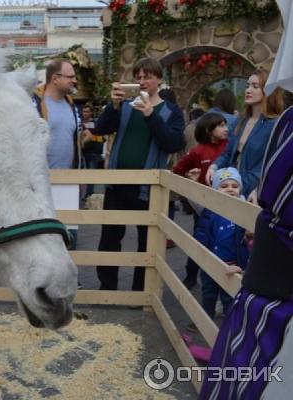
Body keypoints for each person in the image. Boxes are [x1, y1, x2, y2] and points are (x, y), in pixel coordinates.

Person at [201, 0, 293, 395]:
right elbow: (231, 156)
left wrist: (246, 185)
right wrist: (216, 172)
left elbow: (263, 174)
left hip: (274, 282)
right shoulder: (241, 123)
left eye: (256, 85)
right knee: (218, 254)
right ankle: (207, 310)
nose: (253, 89)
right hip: (252, 224)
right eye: (250, 86)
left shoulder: (277, 124)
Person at [95, 57, 185, 291]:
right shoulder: (124, 106)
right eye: (139, 76)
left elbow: (173, 143)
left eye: (147, 77)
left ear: (159, 80)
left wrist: (150, 115)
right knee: (109, 239)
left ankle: (140, 292)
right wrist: (113, 106)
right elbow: (101, 128)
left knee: (146, 243)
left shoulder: (171, 111)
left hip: (148, 188)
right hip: (117, 184)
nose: (142, 81)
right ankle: (107, 288)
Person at [173, 112, 230, 289]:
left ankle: (220, 280)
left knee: (225, 241)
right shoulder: (197, 151)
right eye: (220, 125)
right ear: (208, 129)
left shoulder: (229, 147)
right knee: (200, 240)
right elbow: (178, 169)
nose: (225, 129)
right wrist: (191, 183)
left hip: (228, 204)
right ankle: (191, 275)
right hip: (204, 206)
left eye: (225, 125)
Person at [206, 70, 283, 198]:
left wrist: (240, 184)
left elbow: (270, 166)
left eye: (255, 86)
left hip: (253, 193)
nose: (248, 90)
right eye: (247, 85)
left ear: (268, 90)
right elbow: (228, 152)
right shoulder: (241, 120)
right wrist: (214, 166)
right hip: (232, 188)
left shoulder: (275, 125)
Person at [32, 59, 81, 250]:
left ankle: (69, 279)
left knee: (70, 237)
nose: (74, 81)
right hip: (42, 184)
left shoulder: (71, 104)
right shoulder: (35, 103)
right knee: (42, 239)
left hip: (69, 183)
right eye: (70, 77)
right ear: (55, 78)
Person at [193, 168, 249, 326]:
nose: (230, 189)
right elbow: (195, 200)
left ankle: (229, 327)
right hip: (210, 263)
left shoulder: (244, 211)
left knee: (229, 298)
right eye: (224, 186)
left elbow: (250, 239)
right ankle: (205, 321)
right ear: (215, 190)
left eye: (234, 185)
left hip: (231, 267)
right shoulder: (210, 210)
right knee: (208, 294)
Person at [80, 102, 103, 197]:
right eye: (83, 111)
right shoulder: (79, 123)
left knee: (91, 173)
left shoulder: (96, 123)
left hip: (93, 152)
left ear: (91, 113)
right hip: (82, 152)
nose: (84, 113)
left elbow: (101, 137)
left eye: (87, 111)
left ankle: (89, 195)